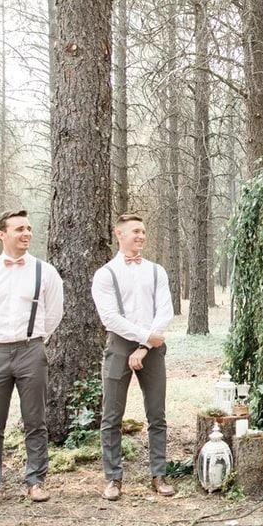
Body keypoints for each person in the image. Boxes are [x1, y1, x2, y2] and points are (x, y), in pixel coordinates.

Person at [0, 209, 64, 511]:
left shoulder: (45, 272)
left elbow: (54, 313)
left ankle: (36, 482)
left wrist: (33, 340)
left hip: (31, 351)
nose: (27, 234)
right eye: (20, 228)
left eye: (29, 228)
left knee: (35, 421)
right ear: (2, 234)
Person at [91, 214, 175, 500]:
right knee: (111, 416)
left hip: (152, 348)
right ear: (119, 234)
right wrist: (143, 338)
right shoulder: (106, 274)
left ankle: (159, 475)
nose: (141, 236)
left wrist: (145, 346)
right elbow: (110, 318)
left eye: (143, 231)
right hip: (119, 346)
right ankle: (113, 478)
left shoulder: (156, 271)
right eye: (135, 231)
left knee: (157, 414)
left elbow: (165, 311)